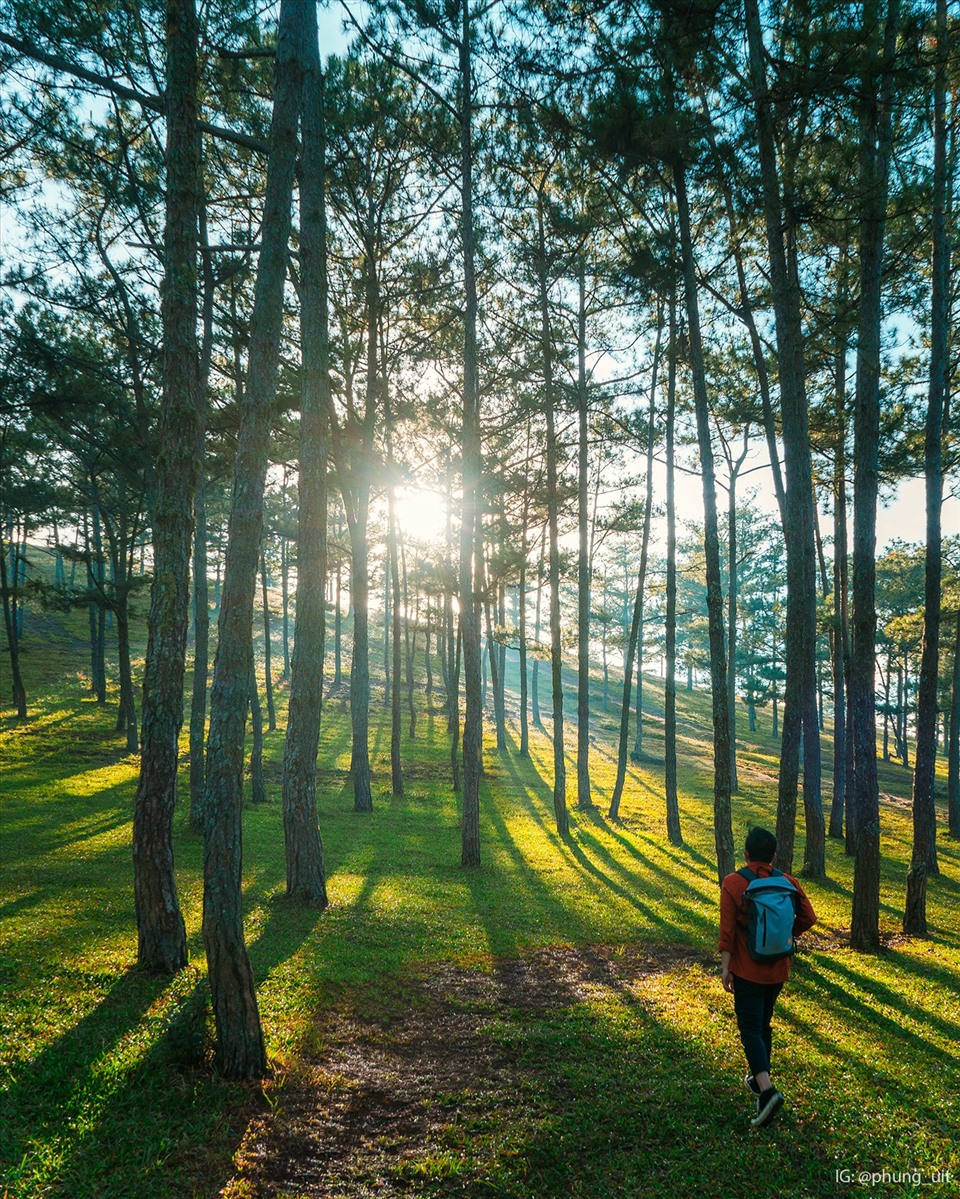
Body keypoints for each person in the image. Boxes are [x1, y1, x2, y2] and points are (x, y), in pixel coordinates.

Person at [719, 826, 817, 1128]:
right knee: (763, 1025)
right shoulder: (789, 882)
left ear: (746, 853)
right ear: (773, 855)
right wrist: (786, 937)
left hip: (748, 969)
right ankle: (760, 1082)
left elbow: (727, 931)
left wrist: (725, 967)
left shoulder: (734, 883)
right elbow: (809, 918)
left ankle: (768, 1090)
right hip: (778, 967)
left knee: (750, 1029)